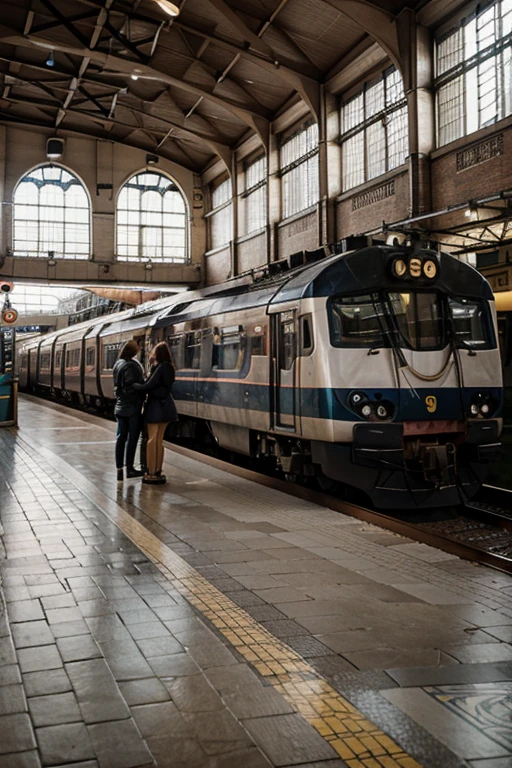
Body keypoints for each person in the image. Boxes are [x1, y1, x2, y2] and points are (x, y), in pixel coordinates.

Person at [133, 340, 177, 485]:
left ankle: (151, 471)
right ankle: (158, 469)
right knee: (159, 439)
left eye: (153, 353)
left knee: (152, 439)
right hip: (167, 405)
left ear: (158, 354)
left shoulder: (160, 367)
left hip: (156, 407)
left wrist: (134, 386)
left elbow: (149, 385)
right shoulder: (170, 367)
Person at [113, 339, 145, 482]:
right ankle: (130, 469)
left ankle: (119, 469)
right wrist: (146, 386)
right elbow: (133, 385)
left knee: (120, 438)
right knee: (132, 438)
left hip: (119, 407)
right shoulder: (131, 366)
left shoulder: (117, 364)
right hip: (131, 407)